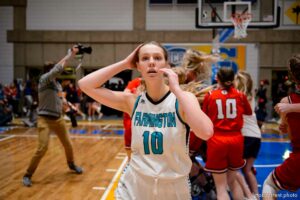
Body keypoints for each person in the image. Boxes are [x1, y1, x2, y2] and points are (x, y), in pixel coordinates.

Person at [78, 41, 213, 199]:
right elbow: (85, 84)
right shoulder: (132, 101)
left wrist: (177, 90)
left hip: (173, 188)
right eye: (145, 58)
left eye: (157, 57)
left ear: (166, 65)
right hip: (134, 187)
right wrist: (124, 64)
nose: (151, 62)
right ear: (138, 65)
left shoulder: (183, 99)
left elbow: (206, 132)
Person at [22, 46, 83, 187]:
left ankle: (71, 164)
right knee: (42, 148)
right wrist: (70, 54)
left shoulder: (58, 86)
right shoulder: (44, 80)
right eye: (54, 68)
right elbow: (57, 69)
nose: (58, 71)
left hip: (58, 119)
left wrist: (68, 109)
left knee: (68, 145)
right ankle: (27, 175)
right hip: (44, 119)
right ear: (49, 71)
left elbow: (61, 100)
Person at [202, 67, 253, 200]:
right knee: (233, 183)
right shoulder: (240, 96)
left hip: (217, 141)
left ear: (217, 78)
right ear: (233, 79)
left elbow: (203, 116)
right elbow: (249, 112)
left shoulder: (210, 96)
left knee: (221, 188)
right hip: (236, 140)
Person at [262, 54, 300, 200]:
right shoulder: (286, 104)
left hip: (298, 157)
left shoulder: (287, 102)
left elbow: (290, 136)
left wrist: (290, 110)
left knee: (269, 184)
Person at [234, 71, 261, 197]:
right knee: (247, 169)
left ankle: (248, 194)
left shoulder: (238, 97)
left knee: (233, 168)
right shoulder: (251, 97)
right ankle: (255, 194)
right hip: (256, 136)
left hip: (246, 136)